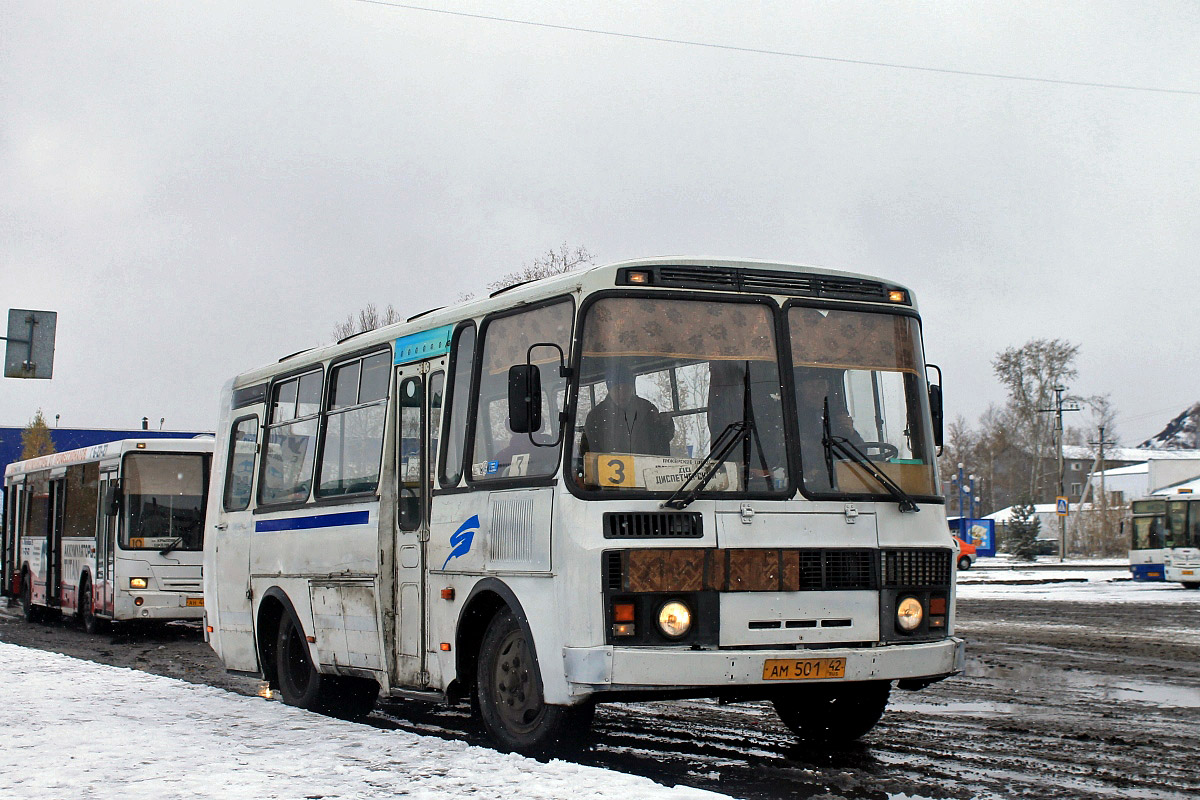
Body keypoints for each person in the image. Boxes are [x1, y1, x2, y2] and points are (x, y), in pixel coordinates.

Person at [795, 369, 864, 490]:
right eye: (811, 386)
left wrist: (851, 434)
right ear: (801, 389)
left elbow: (859, 454)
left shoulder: (837, 414)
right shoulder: (793, 416)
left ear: (827, 389)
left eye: (821, 384)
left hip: (839, 481)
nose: (816, 391)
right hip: (805, 485)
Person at [583, 364, 675, 456]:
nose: (622, 393)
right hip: (608, 468)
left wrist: (666, 424)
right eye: (617, 388)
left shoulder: (647, 409)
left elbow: (662, 440)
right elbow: (588, 452)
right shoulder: (596, 416)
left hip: (645, 467)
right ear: (609, 389)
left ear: (632, 388)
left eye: (626, 388)